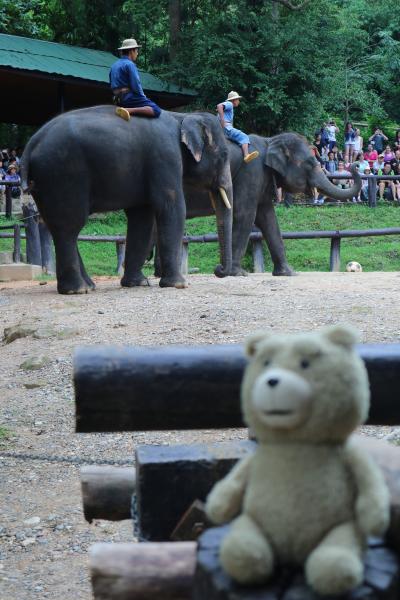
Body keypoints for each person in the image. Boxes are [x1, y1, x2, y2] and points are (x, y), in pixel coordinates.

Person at [110, 38, 161, 122]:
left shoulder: (114, 65)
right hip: (128, 98)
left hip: (117, 99)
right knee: (156, 110)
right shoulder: (130, 64)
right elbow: (136, 84)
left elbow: (112, 84)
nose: (137, 53)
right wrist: (143, 96)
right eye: (136, 51)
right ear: (131, 51)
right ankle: (128, 110)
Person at [217, 91, 259, 164]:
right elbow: (219, 106)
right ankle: (246, 155)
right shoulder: (229, 104)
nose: (238, 101)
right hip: (227, 128)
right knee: (244, 137)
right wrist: (222, 121)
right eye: (237, 99)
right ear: (233, 100)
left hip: (225, 128)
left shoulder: (229, 107)